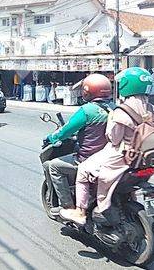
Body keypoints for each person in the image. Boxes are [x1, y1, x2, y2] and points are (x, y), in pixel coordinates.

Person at [60, 67, 154, 225]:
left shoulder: (121, 112)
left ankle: (80, 211)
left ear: (125, 86)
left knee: (82, 170)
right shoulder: (152, 109)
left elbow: (114, 139)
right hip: (144, 159)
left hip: (122, 157)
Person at [42, 74, 114, 215]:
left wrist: (50, 138)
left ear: (88, 91)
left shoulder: (87, 110)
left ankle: (67, 207)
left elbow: (64, 132)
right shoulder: (115, 108)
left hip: (88, 159)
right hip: (111, 158)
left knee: (53, 166)